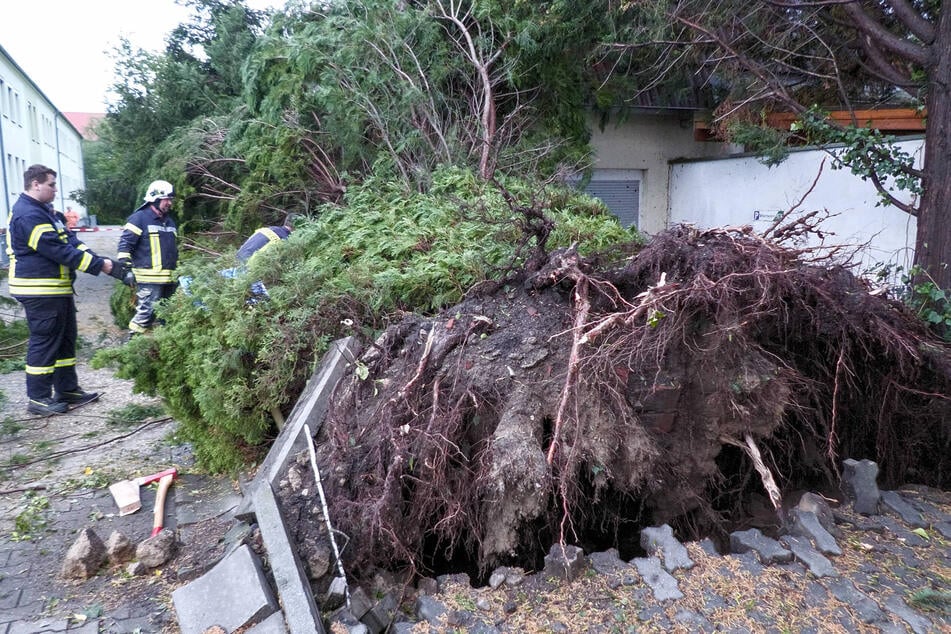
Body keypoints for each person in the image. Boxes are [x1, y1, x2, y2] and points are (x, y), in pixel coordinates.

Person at [7, 164, 125, 415]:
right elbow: (57, 251)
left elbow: (72, 243)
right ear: (35, 184)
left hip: (55, 289)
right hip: (39, 290)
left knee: (65, 340)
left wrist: (103, 261)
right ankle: (38, 398)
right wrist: (101, 266)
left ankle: (67, 389)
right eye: (51, 184)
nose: (56, 190)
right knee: (45, 341)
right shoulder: (28, 214)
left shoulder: (48, 213)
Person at [117, 180, 179, 338]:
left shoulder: (170, 221)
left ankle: (165, 347)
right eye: (167, 199)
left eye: (170, 199)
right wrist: (126, 270)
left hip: (169, 280)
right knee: (145, 316)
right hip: (149, 280)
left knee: (169, 316)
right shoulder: (139, 219)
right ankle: (132, 345)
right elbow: (124, 246)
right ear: (155, 198)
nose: (170, 203)